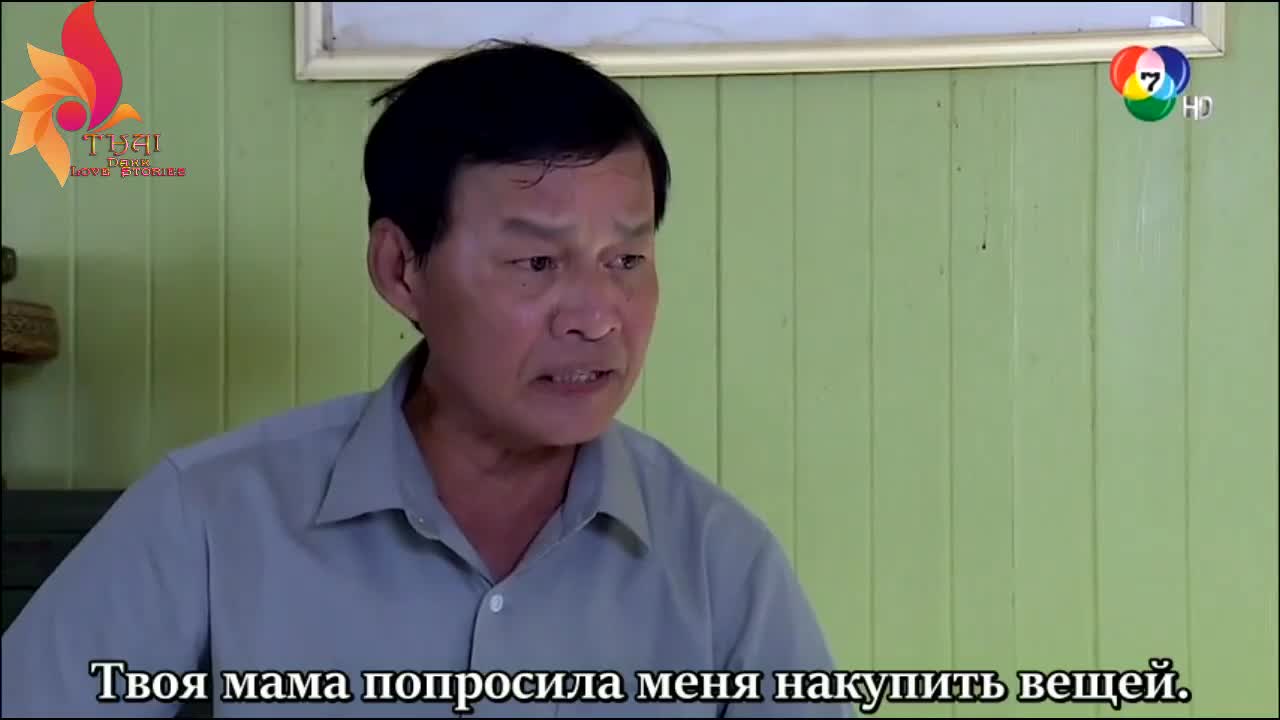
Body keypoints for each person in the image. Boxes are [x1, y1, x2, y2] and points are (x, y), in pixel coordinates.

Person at [1, 41, 850, 718]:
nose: (597, 316)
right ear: (401, 268)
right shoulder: (209, 516)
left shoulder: (718, 560)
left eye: (626, 260)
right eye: (536, 262)